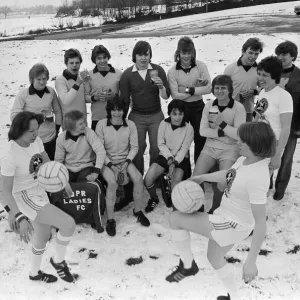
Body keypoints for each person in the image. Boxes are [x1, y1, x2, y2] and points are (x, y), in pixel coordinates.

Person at [165, 122, 277, 300]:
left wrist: (251, 261)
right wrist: (202, 177)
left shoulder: (258, 177)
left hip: (232, 225)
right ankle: (234, 297)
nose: (237, 143)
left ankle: (187, 266)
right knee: (214, 258)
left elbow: (261, 223)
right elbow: (229, 174)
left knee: (175, 218)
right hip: (225, 216)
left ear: (255, 144)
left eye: (242, 141)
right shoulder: (245, 159)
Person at [1, 111, 77, 283]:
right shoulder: (9, 155)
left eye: (37, 129)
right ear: (19, 130)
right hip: (25, 196)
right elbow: (5, 190)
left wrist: (63, 181)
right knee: (68, 224)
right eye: (31, 131)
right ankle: (59, 262)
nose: (36, 134)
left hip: (39, 190)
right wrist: (18, 216)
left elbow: (47, 161)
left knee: (42, 235)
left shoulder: (36, 141)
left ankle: (34, 273)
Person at [95, 96, 150, 235]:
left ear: (124, 110)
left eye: (119, 110)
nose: (117, 113)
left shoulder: (130, 124)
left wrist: (126, 163)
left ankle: (137, 211)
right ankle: (111, 220)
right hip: (107, 161)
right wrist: (111, 165)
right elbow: (99, 149)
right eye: (113, 110)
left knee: (138, 179)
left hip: (125, 160)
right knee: (112, 183)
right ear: (109, 111)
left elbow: (135, 147)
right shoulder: (101, 124)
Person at [193, 75, 246, 212]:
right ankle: (198, 205)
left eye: (223, 88)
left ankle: (216, 208)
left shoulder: (238, 108)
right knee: (196, 177)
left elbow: (238, 134)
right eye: (217, 88)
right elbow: (203, 131)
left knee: (222, 183)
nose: (220, 91)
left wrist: (221, 123)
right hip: (210, 146)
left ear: (230, 90)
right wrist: (223, 132)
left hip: (230, 148)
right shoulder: (209, 105)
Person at [120, 40, 171, 175]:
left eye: (146, 55)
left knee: (156, 147)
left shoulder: (158, 70)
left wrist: (161, 87)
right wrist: (122, 120)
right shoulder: (127, 75)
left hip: (156, 115)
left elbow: (166, 97)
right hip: (136, 116)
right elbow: (124, 100)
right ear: (134, 56)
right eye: (140, 55)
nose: (143, 58)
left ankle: (154, 177)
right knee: (137, 148)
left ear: (150, 55)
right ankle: (138, 178)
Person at [144, 99, 194, 213]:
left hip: (180, 159)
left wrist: (175, 162)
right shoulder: (163, 124)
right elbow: (160, 143)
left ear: (184, 114)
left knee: (175, 183)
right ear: (169, 113)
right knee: (147, 179)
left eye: (180, 114)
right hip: (166, 156)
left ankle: (176, 207)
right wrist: (170, 159)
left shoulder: (189, 128)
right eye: (174, 113)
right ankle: (154, 198)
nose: (177, 117)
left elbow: (184, 149)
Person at [167, 36, 212, 163]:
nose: (186, 56)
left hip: (198, 107)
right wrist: (196, 89)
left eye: (189, 53)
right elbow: (175, 95)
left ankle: (199, 169)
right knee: (182, 140)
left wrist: (187, 90)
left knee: (201, 138)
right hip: (182, 108)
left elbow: (209, 88)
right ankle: (183, 171)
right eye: (184, 53)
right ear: (178, 53)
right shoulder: (172, 71)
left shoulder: (201, 66)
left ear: (193, 52)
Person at [11, 63, 62, 160]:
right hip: (31, 139)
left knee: (49, 166)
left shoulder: (51, 91)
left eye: (44, 79)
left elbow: (58, 112)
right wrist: (33, 117)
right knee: (34, 168)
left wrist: (57, 129)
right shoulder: (23, 94)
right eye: (38, 79)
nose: (42, 82)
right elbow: (14, 116)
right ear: (32, 79)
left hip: (50, 138)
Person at [255, 56, 293, 179]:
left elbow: (286, 128)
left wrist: (277, 155)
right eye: (259, 73)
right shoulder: (262, 92)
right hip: (258, 141)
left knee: (262, 181)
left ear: (275, 76)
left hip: (272, 145)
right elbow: (258, 116)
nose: (260, 78)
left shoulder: (284, 96)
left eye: (265, 75)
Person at [272, 41, 300, 200]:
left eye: (285, 54)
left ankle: (280, 188)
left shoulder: (298, 75)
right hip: (271, 121)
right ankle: (266, 181)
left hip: (291, 124)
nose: (281, 57)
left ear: (293, 56)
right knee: (267, 154)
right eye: (279, 54)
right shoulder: (272, 72)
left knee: (286, 157)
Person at [54, 110, 106, 183]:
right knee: (62, 184)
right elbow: (58, 159)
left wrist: (96, 171)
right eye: (80, 124)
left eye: (84, 122)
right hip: (68, 168)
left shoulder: (89, 133)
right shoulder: (61, 138)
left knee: (84, 182)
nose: (84, 125)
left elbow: (100, 151)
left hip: (87, 166)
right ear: (71, 126)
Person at [224, 38, 264, 122]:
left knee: (246, 135)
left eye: (256, 54)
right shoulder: (231, 69)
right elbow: (222, 89)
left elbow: (265, 89)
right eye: (250, 53)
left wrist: (254, 92)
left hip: (248, 112)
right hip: (230, 110)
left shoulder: (260, 70)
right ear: (243, 51)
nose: (253, 57)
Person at [85, 45, 122, 131]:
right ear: (94, 59)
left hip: (115, 117)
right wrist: (95, 97)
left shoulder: (119, 73)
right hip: (97, 118)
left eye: (105, 57)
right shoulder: (87, 75)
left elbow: (123, 94)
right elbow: (84, 97)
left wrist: (115, 96)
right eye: (99, 58)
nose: (102, 61)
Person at [55, 48, 88, 119]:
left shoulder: (82, 76)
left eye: (77, 62)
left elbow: (85, 97)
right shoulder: (60, 80)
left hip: (82, 121)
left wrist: (95, 97)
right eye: (71, 63)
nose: (74, 65)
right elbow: (66, 100)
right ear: (66, 64)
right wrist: (77, 83)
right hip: (69, 123)